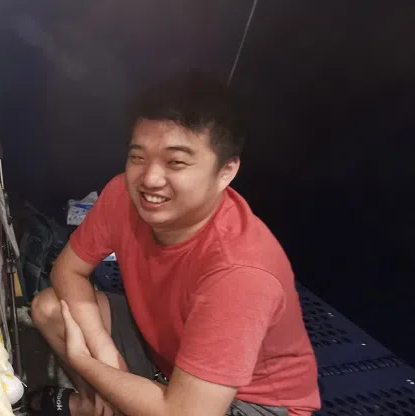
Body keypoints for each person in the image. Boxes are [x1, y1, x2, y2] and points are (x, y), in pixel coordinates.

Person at [29, 72, 321, 416]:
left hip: (247, 401)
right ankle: (97, 407)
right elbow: (68, 271)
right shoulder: (122, 194)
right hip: (169, 356)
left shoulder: (240, 272)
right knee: (50, 308)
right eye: (138, 157)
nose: (150, 179)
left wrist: (87, 362)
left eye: (176, 162)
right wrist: (104, 351)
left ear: (226, 172)